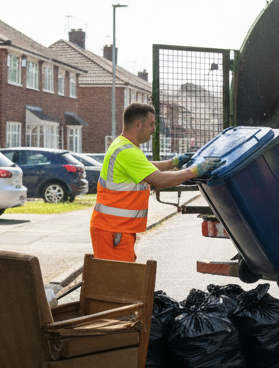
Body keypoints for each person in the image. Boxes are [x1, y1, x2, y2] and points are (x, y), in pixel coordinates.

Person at [90, 102, 220, 262]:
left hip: (114, 228)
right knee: (117, 284)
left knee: (118, 281)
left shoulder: (123, 146)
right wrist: (194, 171)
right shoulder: (127, 152)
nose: (154, 129)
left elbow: (146, 169)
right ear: (138, 124)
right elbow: (158, 180)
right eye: (151, 124)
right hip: (113, 229)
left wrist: (172, 163)